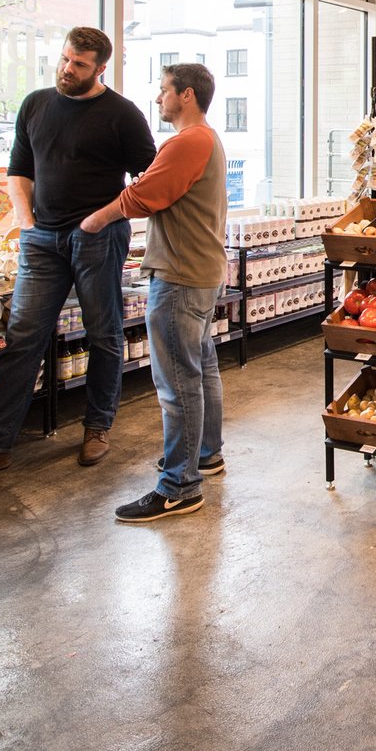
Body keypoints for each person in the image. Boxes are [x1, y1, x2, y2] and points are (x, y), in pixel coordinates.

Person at [0, 27, 157, 480]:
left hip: (97, 239)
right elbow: (19, 168)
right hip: (41, 240)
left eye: (78, 64)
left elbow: (149, 179)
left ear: (100, 69)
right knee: (23, 340)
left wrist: (104, 217)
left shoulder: (122, 114)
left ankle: (97, 427)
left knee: (104, 335)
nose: (67, 69)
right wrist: (28, 224)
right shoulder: (36, 103)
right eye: (65, 59)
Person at [79, 62, 229, 523]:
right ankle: (205, 455)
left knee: (176, 383)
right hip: (201, 270)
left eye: (164, 91)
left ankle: (179, 486)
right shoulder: (208, 139)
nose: (158, 99)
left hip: (180, 276)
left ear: (186, 95)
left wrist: (95, 220)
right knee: (200, 370)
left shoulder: (188, 141)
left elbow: (146, 195)